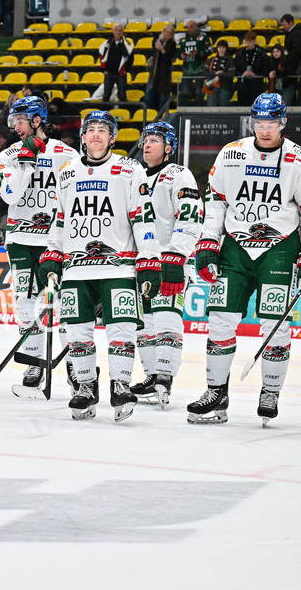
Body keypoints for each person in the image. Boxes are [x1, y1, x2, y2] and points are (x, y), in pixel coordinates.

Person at [37, 111, 157, 421]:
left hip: (119, 266)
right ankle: (86, 386)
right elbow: (59, 218)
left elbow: (142, 218)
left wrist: (149, 258)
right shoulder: (66, 171)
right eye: (91, 129)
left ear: (113, 137)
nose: (96, 135)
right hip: (77, 268)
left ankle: (120, 383)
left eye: (103, 130)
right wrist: (52, 251)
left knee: (122, 329)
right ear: (83, 136)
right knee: (78, 331)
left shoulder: (130, 170)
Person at [190, 93, 301, 424]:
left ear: (283, 122)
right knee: (221, 319)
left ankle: (270, 391)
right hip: (236, 245)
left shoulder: (297, 158)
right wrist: (208, 242)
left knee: (274, 323)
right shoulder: (231, 153)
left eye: (271, 123)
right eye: (259, 122)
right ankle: (215, 391)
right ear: (252, 121)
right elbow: (217, 202)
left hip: (279, 246)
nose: (264, 129)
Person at [0, 96, 79, 397]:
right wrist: (26, 162)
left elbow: (75, 200)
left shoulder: (67, 154)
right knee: (26, 303)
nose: (15, 127)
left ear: (38, 119)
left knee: (66, 304)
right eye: (13, 121)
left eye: (21, 120)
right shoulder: (9, 155)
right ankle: (34, 362)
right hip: (20, 237)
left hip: (55, 240)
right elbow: (10, 196)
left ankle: (76, 366)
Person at [122, 122, 202, 407]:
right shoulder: (135, 176)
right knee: (143, 323)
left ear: (169, 148)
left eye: (155, 140)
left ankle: (165, 376)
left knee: (167, 317)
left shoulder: (179, 175)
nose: (147, 144)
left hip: (169, 259)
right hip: (142, 261)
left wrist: (177, 255)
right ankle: (152, 374)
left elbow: (191, 216)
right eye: (145, 140)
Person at [142, 23, 177, 111]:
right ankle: (148, 112)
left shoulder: (172, 44)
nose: (168, 34)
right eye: (167, 32)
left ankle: (162, 112)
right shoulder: (156, 41)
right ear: (163, 32)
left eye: (170, 33)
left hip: (165, 71)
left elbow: (168, 58)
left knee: (164, 93)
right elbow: (153, 51)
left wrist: (162, 50)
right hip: (155, 70)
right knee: (149, 91)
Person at [177, 19, 211, 106]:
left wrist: (198, 53)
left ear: (196, 27)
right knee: (183, 92)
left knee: (199, 92)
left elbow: (210, 50)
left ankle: (199, 111)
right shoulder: (183, 39)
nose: (188, 29)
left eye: (191, 27)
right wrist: (181, 55)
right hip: (187, 69)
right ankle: (182, 111)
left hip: (200, 68)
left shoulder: (204, 36)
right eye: (187, 27)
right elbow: (178, 52)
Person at [99, 22, 133, 102]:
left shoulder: (127, 45)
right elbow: (101, 55)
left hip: (121, 73)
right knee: (106, 95)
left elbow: (131, 59)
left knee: (122, 95)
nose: (118, 32)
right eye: (116, 30)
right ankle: (104, 113)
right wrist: (103, 70)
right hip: (109, 73)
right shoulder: (107, 44)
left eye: (120, 30)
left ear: (122, 32)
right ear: (113, 31)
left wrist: (125, 70)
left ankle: (124, 113)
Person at [233, 32, 269, 107]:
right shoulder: (240, 54)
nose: (248, 44)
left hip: (257, 86)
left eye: (250, 41)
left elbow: (265, 69)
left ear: (255, 41)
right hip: (243, 86)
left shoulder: (262, 53)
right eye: (246, 41)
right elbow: (235, 70)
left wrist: (256, 75)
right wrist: (242, 74)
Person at [204, 39, 234, 107]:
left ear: (226, 49)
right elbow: (204, 73)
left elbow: (231, 73)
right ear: (217, 48)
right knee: (211, 109)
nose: (221, 49)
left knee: (223, 108)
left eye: (223, 47)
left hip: (224, 87)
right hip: (211, 87)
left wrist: (220, 75)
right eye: (219, 47)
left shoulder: (230, 59)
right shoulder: (211, 59)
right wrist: (215, 74)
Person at [281, 13, 301, 105]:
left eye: (284, 24)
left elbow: (296, 52)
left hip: (295, 65)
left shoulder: (296, 33)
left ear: (290, 23)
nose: (283, 27)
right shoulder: (290, 33)